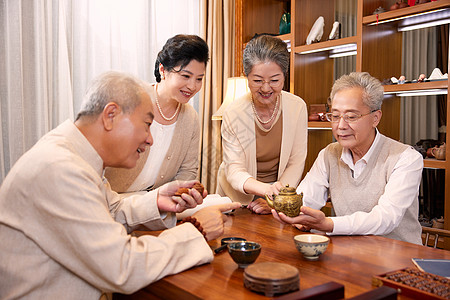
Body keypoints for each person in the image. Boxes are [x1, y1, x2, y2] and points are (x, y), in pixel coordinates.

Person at [0, 71, 241, 299]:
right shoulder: (60, 168)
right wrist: (196, 231)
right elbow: (122, 265)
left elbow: (111, 210)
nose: (150, 139)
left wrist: (156, 200)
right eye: (147, 124)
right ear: (110, 115)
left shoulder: (76, 155)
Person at [272, 72, 423, 245]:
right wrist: (284, 206)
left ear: (375, 118)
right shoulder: (329, 154)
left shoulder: (406, 158)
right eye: (335, 116)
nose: (341, 126)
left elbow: (386, 218)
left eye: (351, 117)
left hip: (400, 261)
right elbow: (306, 200)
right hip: (349, 255)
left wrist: (329, 224)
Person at [216, 35, 308, 214]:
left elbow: (296, 162)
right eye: (257, 80)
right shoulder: (234, 113)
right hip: (236, 198)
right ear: (247, 77)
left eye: (274, 80)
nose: (266, 88)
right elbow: (234, 170)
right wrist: (266, 191)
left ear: (284, 76)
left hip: (278, 198)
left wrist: (276, 198)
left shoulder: (297, 107)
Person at [105, 34, 208, 193]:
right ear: (163, 70)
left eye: (199, 79)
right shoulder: (131, 100)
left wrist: (181, 196)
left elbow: (187, 171)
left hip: (153, 205)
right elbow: (98, 155)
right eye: (186, 76)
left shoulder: (191, 118)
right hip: (110, 200)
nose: (192, 86)